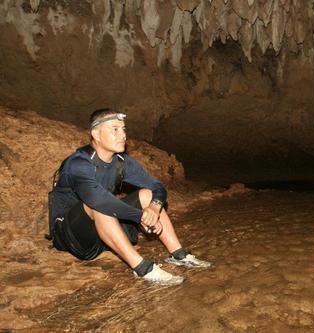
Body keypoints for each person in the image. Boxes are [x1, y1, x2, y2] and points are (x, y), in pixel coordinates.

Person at [49, 108, 210, 285]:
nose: (123, 135)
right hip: (71, 237)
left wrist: (154, 208)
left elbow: (158, 187)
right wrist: (141, 217)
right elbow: (98, 200)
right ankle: (142, 269)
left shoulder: (121, 162)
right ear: (96, 134)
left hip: (104, 233)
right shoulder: (78, 163)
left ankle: (179, 254)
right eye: (115, 129)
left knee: (148, 195)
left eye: (124, 129)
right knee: (99, 204)